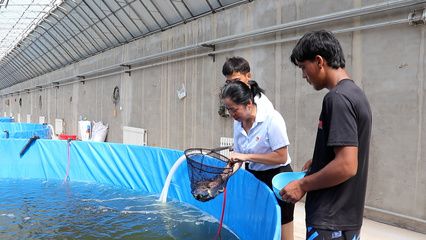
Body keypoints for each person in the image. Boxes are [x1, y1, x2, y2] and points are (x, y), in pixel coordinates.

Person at [280, 30, 372, 240]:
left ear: (319, 61)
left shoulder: (336, 99)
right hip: (347, 217)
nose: (304, 75)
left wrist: (302, 184)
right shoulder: (356, 95)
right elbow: (350, 150)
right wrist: (322, 159)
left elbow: (347, 165)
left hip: (330, 221)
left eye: (304, 67)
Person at [221, 80, 295, 240]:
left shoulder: (272, 119)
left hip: (278, 177)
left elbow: (281, 156)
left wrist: (246, 157)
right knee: (258, 223)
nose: (232, 114)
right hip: (255, 176)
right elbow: (238, 158)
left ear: (248, 104)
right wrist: (223, 177)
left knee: (283, 224)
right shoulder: (238, 123)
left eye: (234, 109)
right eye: (228, 110)